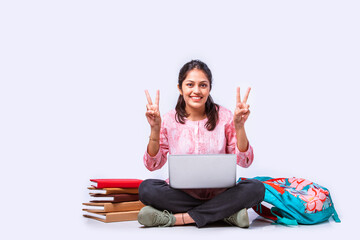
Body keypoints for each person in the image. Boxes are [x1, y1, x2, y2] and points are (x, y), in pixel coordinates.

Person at [138, 60, 265, 228]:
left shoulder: (226, 117)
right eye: (190, 84)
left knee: (256, 188)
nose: (196, 91)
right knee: (147, 189)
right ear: (180, 88)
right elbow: (153, 165)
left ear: (209, 88)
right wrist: (155, 128)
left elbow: (245, 161)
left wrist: (240, 127)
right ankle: (225, 214)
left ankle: (177, 219)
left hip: (220, 194)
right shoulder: (168, 119)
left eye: (203, 85)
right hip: (182, 195)